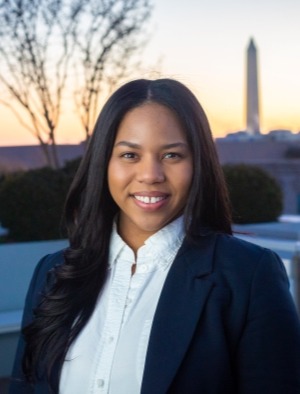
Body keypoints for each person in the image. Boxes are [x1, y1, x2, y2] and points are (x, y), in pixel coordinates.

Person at [10, 78, 300, 394]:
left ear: (198, 163)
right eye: (130, 155)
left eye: (172, 155)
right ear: (104, 163)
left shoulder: (249, 277)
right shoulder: (52, 274)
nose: (150, 175)